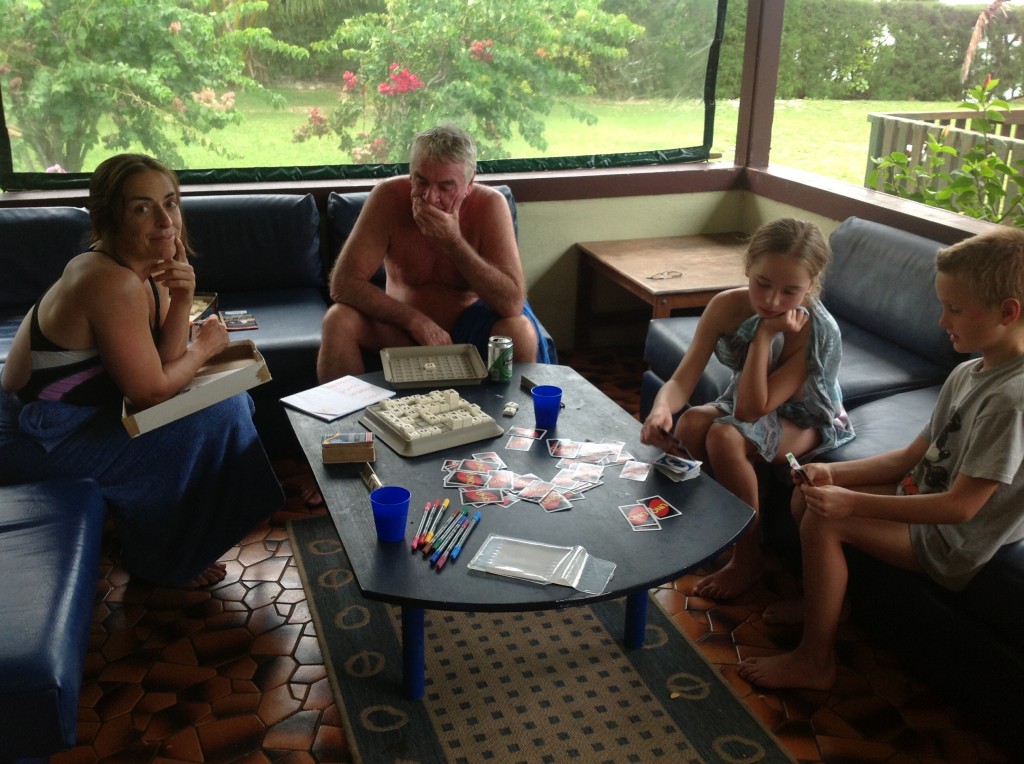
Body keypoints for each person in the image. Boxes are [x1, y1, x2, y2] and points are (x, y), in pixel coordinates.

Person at [737, 227, 1024, 691]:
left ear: (1008, 312)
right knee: (808, 498)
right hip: (924, 496)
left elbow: (961, 508)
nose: (940, 320)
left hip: (953, 540)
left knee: (826, 519)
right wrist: (833, 471)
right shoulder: (971, 370)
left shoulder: (1011, 400)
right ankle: (824, 607)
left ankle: (815, 661)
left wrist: (852, 504)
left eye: (953, 308)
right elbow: (914, 455)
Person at [0, 153, 284, 588]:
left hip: (70, 423)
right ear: (109, 218)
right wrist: (204, 347)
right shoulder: (108, 280)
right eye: (141, 207)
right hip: (37, 438)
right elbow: (152, 392)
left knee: (231, 401)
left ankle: (173, 543)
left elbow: (168, 359)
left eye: (169, 202)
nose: (164, 219)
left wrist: (183, 296)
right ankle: (166, 559)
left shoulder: (143, 265)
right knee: (221, 415)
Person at [640, 218, 854, 600]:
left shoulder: (816, 330)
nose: (772, 301)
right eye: (762, 283)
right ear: (747, 268)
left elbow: (756, 409)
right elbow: (682, 380)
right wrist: (660, 411)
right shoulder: (726, 306)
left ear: (812, 282)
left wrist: (766, 334)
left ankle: (747, 557)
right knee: (689, 422)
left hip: (806, 416)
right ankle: (710, 530)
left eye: (790, 291)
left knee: (724, 435)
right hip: (745, 398)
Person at [316, 123, 550, 383]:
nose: (430, 198)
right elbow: (343, 284)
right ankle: (341, 422)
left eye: (446, 187)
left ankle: (509, 416)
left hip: (470, 335)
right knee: (337, 320)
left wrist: (453, 242)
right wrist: (415, 321)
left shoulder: (491, 205)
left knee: (519, 331)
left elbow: (511, 302)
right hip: (404, 332)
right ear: (410, 174)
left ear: (469, 184)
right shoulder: (387, 198)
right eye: (421, 181)